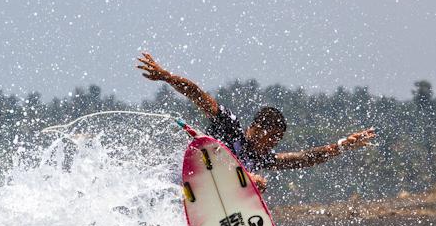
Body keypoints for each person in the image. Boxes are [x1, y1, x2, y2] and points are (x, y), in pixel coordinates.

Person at [136, 52, 375, 190]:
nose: (271, 145)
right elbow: (199, 95)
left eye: (276, 141)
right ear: (255, 129)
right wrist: (167, 77)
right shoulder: (229, 127)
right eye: (269, 138)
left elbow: (302, 158)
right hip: (178, 183)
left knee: (254, 182)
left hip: (209, 196)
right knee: (250, 180)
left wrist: (342, 145)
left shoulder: (258, 157)